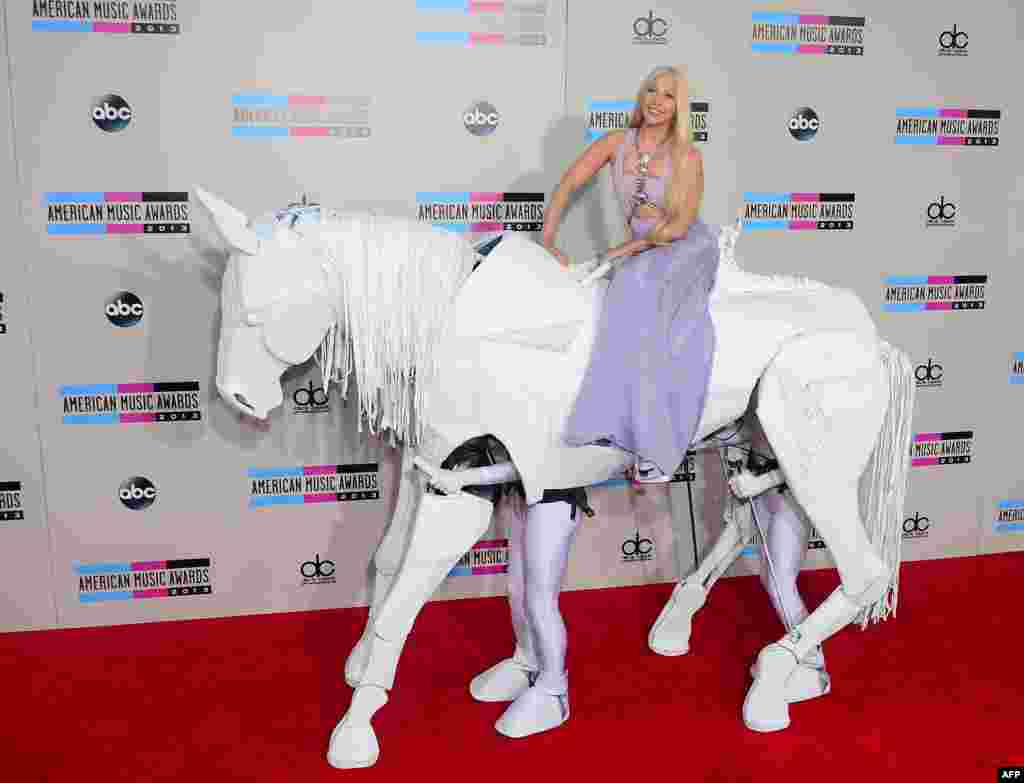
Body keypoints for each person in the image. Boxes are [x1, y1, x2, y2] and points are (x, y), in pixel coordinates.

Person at [543, 64, 719, 484]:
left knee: (633, 287)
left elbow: (677, 227)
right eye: (651, 91)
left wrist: (623, 250)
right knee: (619, 292)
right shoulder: (615, 144)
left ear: (680, 107)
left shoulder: (688, 156)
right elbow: (568, 183)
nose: (657, 101)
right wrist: (548, 237)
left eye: (669, 95)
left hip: (684, 247)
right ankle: (608, 425)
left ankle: (657, 444)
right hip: (642, 248)